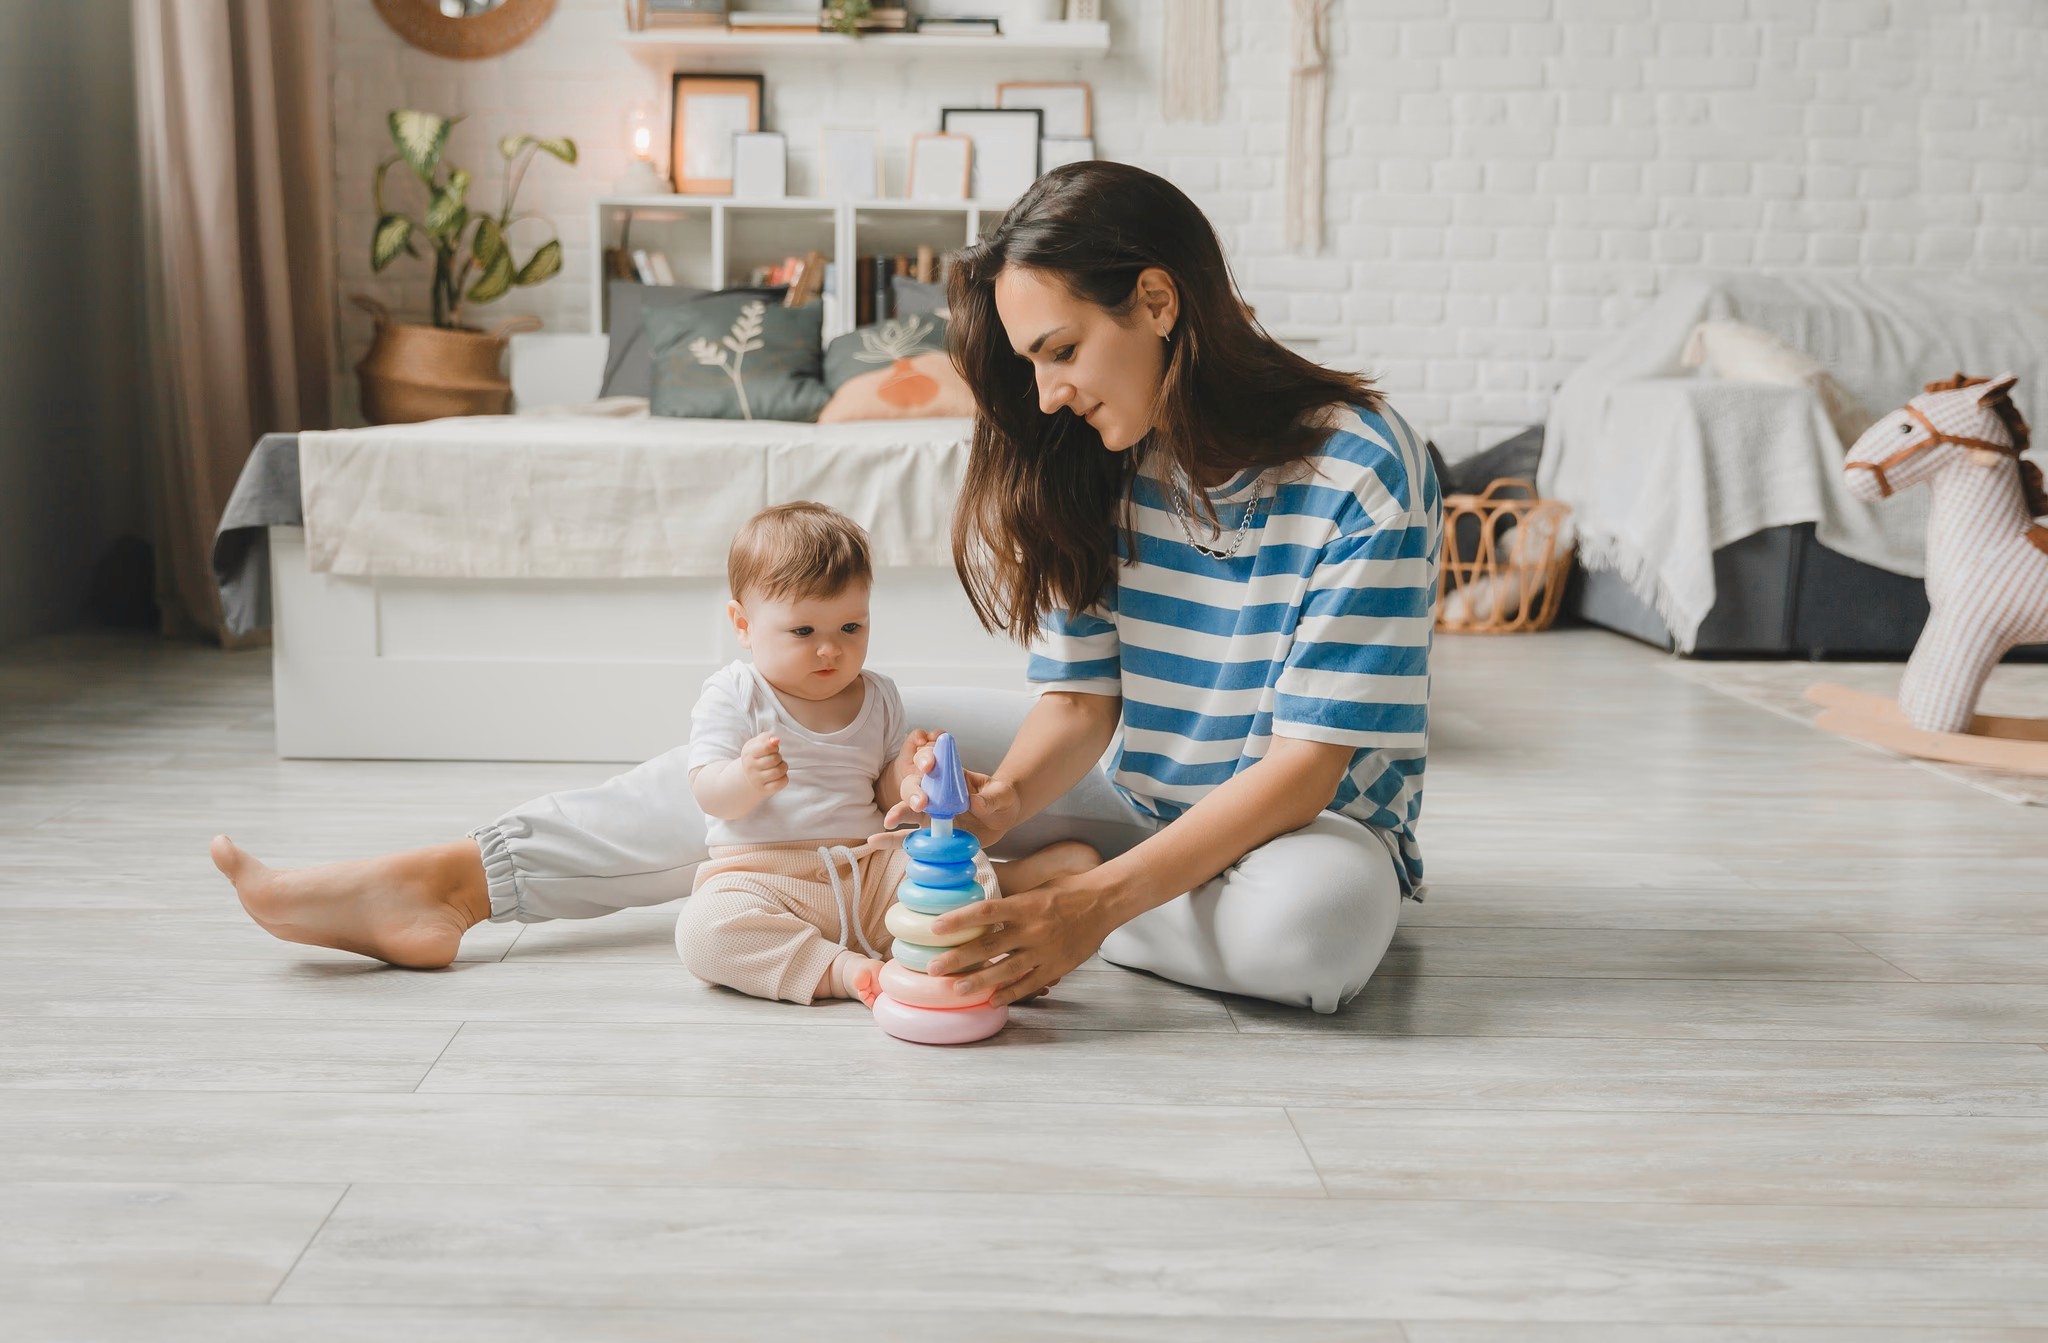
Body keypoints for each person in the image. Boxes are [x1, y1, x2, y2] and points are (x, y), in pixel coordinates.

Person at [212, 160, 1440, 1015]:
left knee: (1312, 937)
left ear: (1157, 300)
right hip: (1136, 784)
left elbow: (1307, 764)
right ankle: (454, 881)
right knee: (800, 719)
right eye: (1030, 365)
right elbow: (1081, 702)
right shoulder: (1098, 458)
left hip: (1296, 826)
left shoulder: (1358, 465)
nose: (1049, 393)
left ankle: (1004, 893)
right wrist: (1002, 804)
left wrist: (1090, 904)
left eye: (1060, 351)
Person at [674, 500, 1092, 1004]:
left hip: (868, 871)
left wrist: (911, 775)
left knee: (969, 864)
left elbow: (885, 793)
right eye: (803, 632)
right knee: (703, 930)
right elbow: (708, 792)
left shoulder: (878, 696)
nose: (830, 650)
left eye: (850, 628)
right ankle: (840, 970)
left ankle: (966, 958)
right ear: (743, 625)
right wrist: (743, 777)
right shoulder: (736, 692)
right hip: (766, 879)